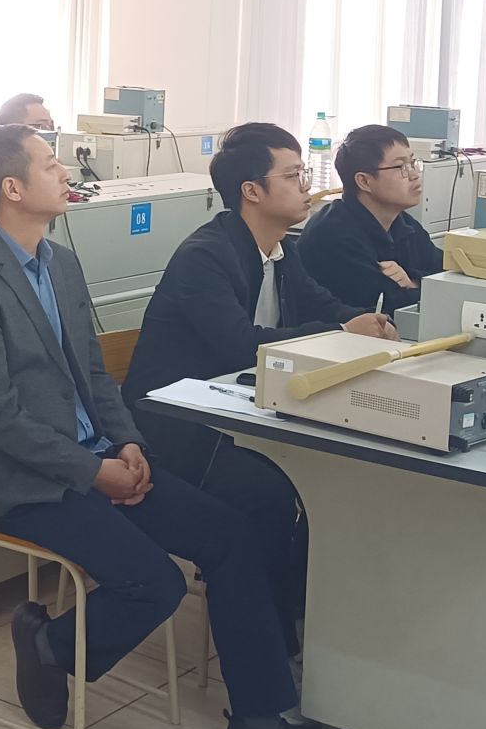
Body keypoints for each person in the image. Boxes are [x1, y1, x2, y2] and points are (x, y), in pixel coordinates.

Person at [0, 126, 353, 729]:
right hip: (21, 480)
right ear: (12, 188)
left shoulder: (59, 263)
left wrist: (127, 442)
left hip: (97, 457)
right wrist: (92, 470)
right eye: (49, 164)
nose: (64, 172)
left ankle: (259, 724)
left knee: (232, 535)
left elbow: (95, 376)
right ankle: (48, 644)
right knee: (152, 582)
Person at [124, 123, 396, 653]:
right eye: (292, 176)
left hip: (241, 414)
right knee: (274, 493)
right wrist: (342, 330)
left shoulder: (280, 251)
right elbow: (238, 343)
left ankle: (300, 622)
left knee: (331, 483)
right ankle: (275, 640)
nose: (306, 186)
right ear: (252, 190)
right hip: (180, 432)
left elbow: (323, 305)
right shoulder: (207, 254)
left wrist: (365, 321)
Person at [297, 124, 443, 313]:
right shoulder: (333, 233)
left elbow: (446, 274)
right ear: (364, 181)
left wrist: (413, 282)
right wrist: (419, 287)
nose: (414, 175)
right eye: (401, 167)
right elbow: (386, 304)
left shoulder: (404, 223)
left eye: (413, 163)